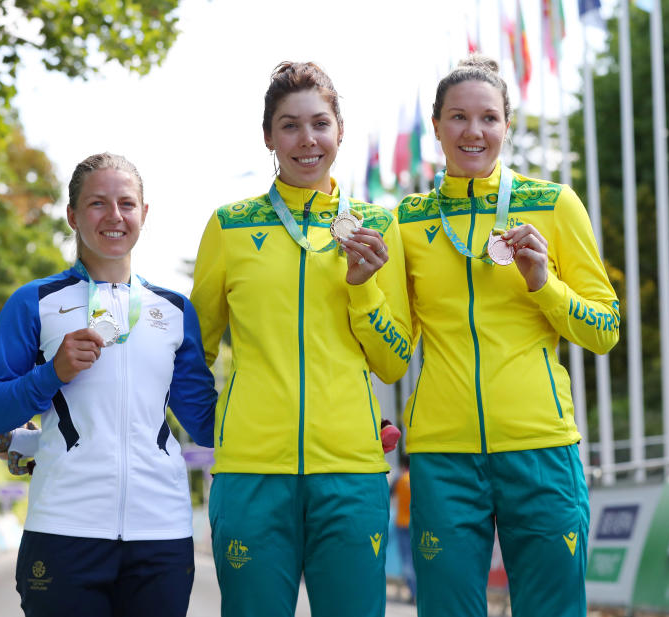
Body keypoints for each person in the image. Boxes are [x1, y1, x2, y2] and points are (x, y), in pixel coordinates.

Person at [395, 55, 620, 617]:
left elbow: (605, 329)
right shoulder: (407, 220)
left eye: (489, 118)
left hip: (540, 444)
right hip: (443, 453)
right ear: (437, 125)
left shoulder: (553, 204)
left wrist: (544, 284)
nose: (474, 131)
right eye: (458, 117)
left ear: (507, 125)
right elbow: (391, 346)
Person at [190, 61, 413, 617]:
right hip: (250, 475)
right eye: (289, 125)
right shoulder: (229, 226)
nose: (306, 140)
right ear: (268, 136)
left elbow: (393, 361)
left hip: (351, 474)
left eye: (319, 123)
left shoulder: (377, 228)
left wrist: (363, 290)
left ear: (340, 130)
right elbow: (193, 350)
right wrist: (218, 427)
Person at [0, 153, 217, 617]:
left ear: (145, 214)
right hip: (64, 528)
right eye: (98, 203)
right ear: (72, 216)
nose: (115, 216)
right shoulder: (34, 302)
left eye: (127, 203)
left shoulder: (175, 310)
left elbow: (207, 424)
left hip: (160, 531)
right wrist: (51, 373)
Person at [390, 454, 415, 603]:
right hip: (416, 524)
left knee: (407, 560)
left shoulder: (399, 478)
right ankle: (418, 592)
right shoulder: (419, 478)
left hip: (401, 523)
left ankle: (414, 592)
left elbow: (389, 494)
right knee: (418, 560)